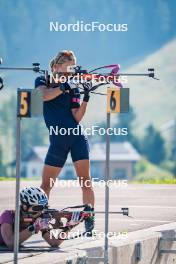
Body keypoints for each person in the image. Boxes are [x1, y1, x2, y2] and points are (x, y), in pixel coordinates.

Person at [35, 50, 95, 235]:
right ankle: (41, 219)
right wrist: (64, 86)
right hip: (58, 140)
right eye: (68, 67)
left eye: (72, 68)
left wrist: (86, 97)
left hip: (76, 136)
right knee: (46, 184)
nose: (70, 72)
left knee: (85, 181)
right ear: (56, 67)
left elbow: (76, 117)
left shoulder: (73, 86)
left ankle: (89, 220)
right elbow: (43, 96)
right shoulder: (43, 79)